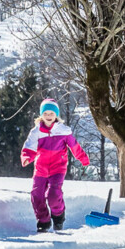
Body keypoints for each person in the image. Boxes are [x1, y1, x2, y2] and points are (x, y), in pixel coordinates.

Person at [20, 98, 90, 232]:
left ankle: (58, 216)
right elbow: (29, 147)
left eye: (51, 113)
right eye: (45, 113)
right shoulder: (36, 132)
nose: (48, 116)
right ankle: (43, 221)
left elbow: (74, 147)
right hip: (40, 168)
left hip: (58, 168)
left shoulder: (64, 131)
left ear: (56, 115)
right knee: (36, 195)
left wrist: (83, 158)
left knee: (53, 194)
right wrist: (27, 157)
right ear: (41, 115)